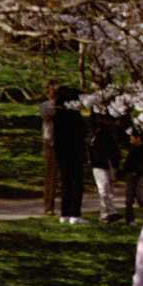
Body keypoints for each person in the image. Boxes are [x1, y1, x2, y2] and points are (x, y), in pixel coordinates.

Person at [53, 87, 87, 224]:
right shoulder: (75, 116)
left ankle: (64, 213)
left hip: (61, 152)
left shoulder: (58, 115)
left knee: (66, 182)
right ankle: (75, 213)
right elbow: (81, 133)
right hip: (75, 151)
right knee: (76, 182)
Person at [90, 116, 121, 222]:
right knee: (104, 189)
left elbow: (114, 152)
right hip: (99, 164)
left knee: (107, 190)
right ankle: (109, 212)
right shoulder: (100, 135)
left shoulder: (109, 135)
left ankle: (105, 214)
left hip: (104, 164)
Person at [121, 127, 143, 221]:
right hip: (130, 176)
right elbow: (127, 163)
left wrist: (137, 171)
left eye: (132, 137)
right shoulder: (132, 149)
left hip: (139, 176)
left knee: (141, 198)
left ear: (138, 138)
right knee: (129, 198)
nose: (130, 139)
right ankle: (129, 219)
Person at [40, 82, 59, 217]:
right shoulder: (45, 105)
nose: (54, 93)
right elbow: (48, 115)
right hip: (50, 144)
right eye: (52, 90)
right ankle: (48, 207)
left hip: (63, 144)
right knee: (50, 177)